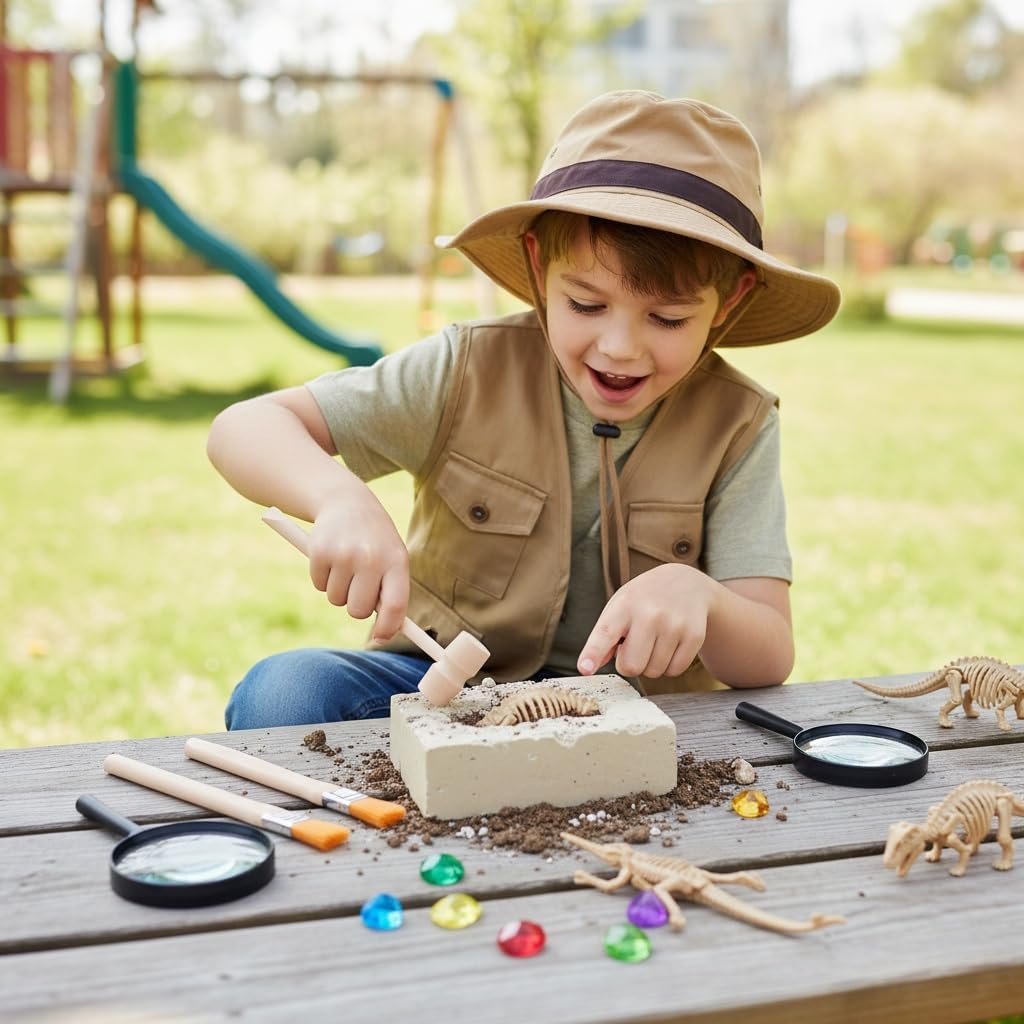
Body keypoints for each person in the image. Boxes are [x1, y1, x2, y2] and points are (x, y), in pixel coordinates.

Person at [207, 90, 841, 729]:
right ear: (540, 270)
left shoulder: (739, 424)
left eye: (669, 318)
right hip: (442, 692)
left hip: (633, 716)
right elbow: (244, 427)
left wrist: (703, 598)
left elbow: (767, 657)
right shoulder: (465, 370)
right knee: (283, 692)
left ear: (729, 302)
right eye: (586, 305)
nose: (619, 348)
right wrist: (337, 497)